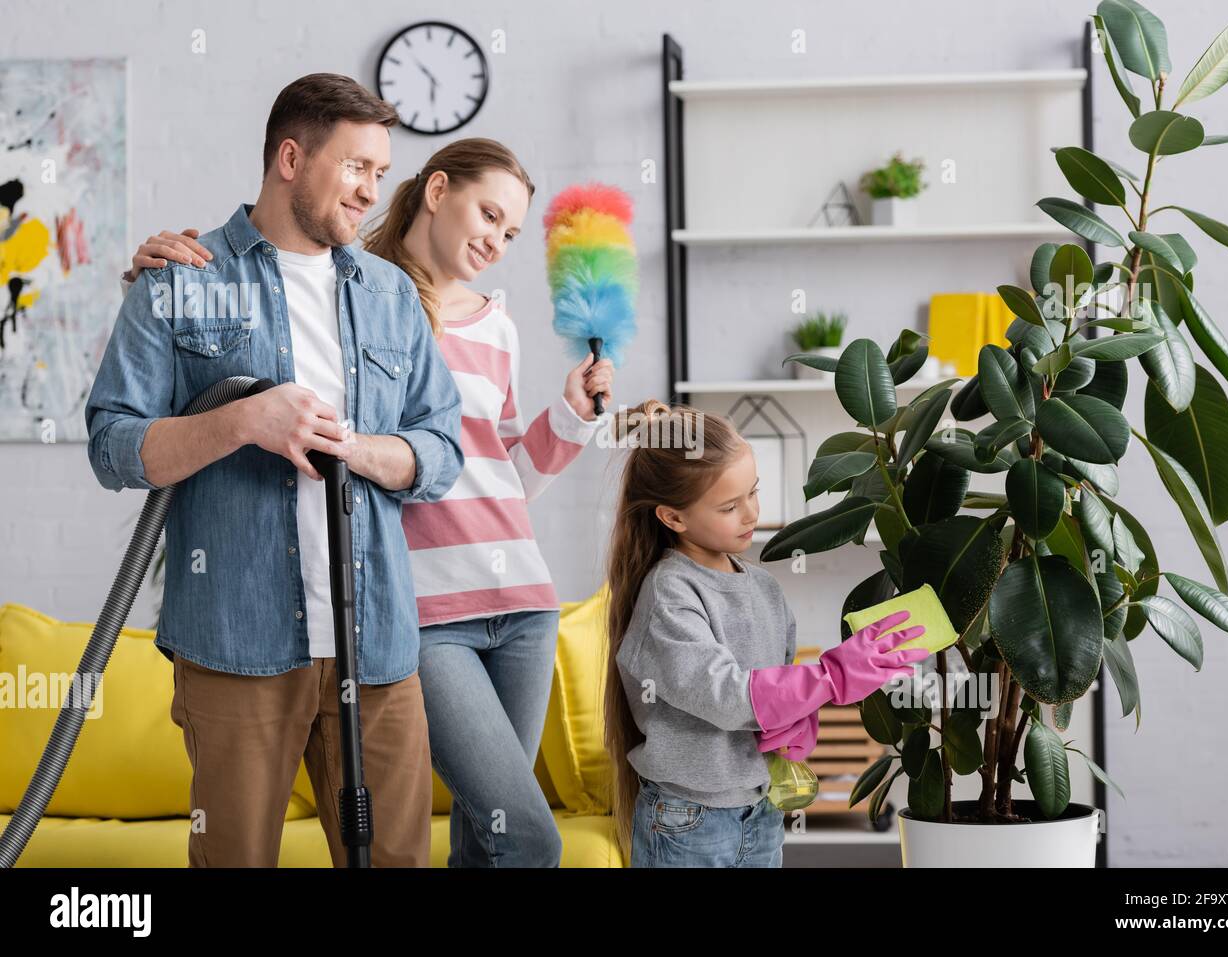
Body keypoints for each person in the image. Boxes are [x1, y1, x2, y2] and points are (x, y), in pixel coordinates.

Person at [122, 138, 614, 867]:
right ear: (438, 190)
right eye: (488, 214)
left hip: (521, 600)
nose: (496, 241)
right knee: (530, 838)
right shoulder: (356, 296)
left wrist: (570, 420)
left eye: (511, 233)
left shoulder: (499, 323)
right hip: (424, 609)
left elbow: (496, 473)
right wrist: (151, 280)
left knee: (490, 839)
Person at [86, 72, 464, 867]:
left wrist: (354, 449)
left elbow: (441, 449)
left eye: (379, 172)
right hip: (236, 642)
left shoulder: (392, 294)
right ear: (291, 158)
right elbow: (112, 444)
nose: (371, 190)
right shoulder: (180, 279)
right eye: (356, 166)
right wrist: (238, 420)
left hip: (380, 643)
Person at [603, 400, 928, 867]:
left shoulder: (763, 587)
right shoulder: (669, 595)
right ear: (673, 518)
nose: (751, 514)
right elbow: (725, 695)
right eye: (729, 506)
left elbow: (777, 680)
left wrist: (801, 718)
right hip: (688, 820)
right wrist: (830, 678)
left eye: (752, 493)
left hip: (760, 809)